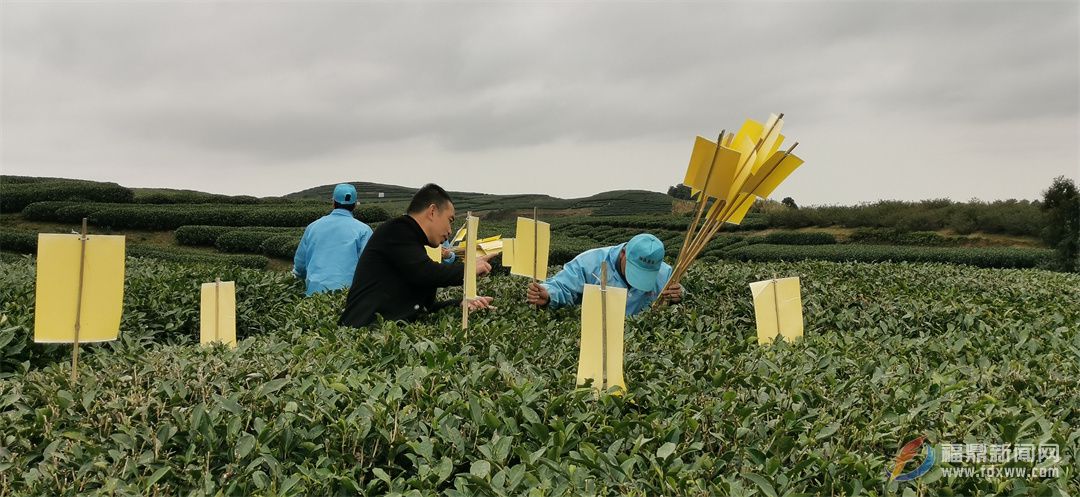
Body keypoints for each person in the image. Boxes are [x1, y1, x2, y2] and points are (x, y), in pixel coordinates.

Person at [339, 183, 494, 328]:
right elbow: (426, 273)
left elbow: (424, 308)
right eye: (450, 220)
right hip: (363, 332)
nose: (450, 230)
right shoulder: (397, 230)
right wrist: (468, 270)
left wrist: (460, 303)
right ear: (432, 211)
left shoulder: (413, 243)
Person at [525, 233, 684, 316]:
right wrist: (548, 295)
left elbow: (680, 298)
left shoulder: (666, 274)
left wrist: (679, 296)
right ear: (623, 254)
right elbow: (563, 286)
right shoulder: (589, 262)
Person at [292, 183, 373, 296]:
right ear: (355, 205)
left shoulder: (313, 227)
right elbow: (369, 267)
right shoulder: (364, 231)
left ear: (333, 202)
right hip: (347, 296)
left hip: (314, 295)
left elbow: (300, 266)